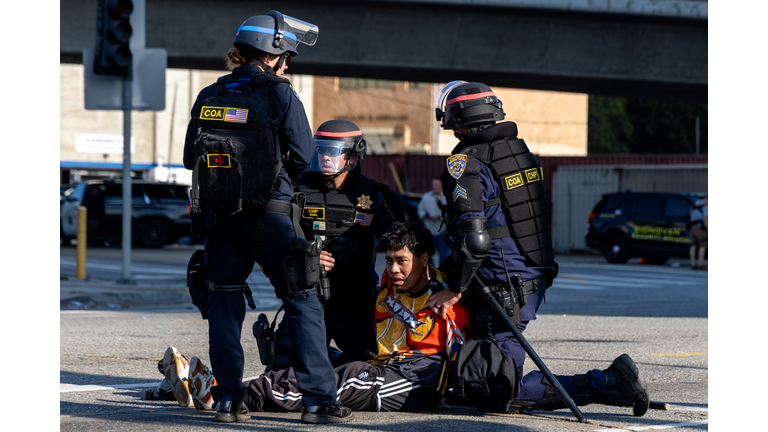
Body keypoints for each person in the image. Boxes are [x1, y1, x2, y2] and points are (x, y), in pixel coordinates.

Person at [429, 81, 651, 416]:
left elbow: (475, 239)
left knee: (498, 391)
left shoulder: (466, 164)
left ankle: (608, 382)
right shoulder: (520, 153)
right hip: (529, 279)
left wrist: (453, 287)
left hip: (498, 288)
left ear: (459, 117)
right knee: (482, 375)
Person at [180, 11, 351, 424]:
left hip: (221, 219)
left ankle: (228, 399)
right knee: (303, 299)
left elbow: (190, 159)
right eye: (286, 56)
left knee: (223, 303)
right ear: (274, 54)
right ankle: (317, 401)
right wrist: (277, 189)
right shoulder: (280, 94)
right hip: (272, 218)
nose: (288, 64)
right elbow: (304, 153)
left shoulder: (210, 94)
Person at [159, 222, 473, 418]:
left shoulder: (446, 300)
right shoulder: (391, 283)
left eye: (401, 261)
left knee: (337, 381)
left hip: (417, 381)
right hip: (384, 365)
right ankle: (220, 387)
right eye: (389, 261)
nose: (393, 269)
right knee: (316, 363)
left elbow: (457, 360)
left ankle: (225, 397)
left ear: (423, 259)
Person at [266, 119, 405, 368]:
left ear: (353, 155)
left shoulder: (374, 196)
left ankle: (335, 360)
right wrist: (303, 255)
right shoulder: (295, 189)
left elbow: (402, 244)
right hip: (307, 300)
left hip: (358, 305)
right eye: (320, 151)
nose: (325, 158)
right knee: (282, 372)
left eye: (333, 152)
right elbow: (270, 240)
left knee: (379, 371)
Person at [417, 177, 450, 266]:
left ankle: (442, 276)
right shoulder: (426, 196)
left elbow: (450, 212)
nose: (434, 187)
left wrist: (439, 217)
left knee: (443, 256)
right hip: (429, 230)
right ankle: (431, 274)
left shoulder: (446, 197)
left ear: (441, 186)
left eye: (436, 185)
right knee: (427, 255)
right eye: (433, 185)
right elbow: (420, 209)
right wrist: (425, 215)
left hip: (442, 231)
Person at [688, 197, 708, 270]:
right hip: (700, 228)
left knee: (693, 245)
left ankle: (693, 264)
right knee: (703, 245)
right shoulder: (705, 207)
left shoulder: (694, 205)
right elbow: (705, 221)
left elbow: (689, 215)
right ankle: (700, 264)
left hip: (692, 227)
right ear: (706, 199)